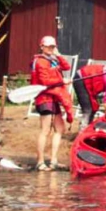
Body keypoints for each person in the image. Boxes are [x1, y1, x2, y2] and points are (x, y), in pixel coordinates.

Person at [30, 36, 75, 170]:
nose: (50, 49)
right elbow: (45, 82)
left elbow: (67, 66)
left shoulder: (53, 59)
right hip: (44, 98)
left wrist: (58, 54)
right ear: (42, 46)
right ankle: (40, 162)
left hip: (54, 97)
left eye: (52, 46)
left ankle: (53, 160)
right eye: (48, 46)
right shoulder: (40, 62)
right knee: (45, 130)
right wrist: (62, 82)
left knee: (60, 129)